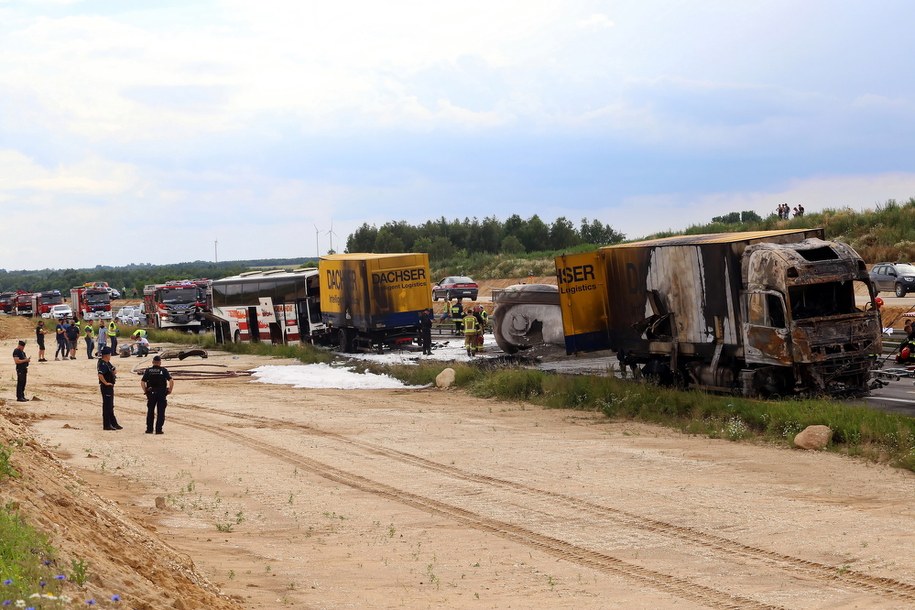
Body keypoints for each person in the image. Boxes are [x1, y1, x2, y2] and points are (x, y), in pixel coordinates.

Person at [141, 355, 173, 434]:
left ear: (153, 362)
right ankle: (158, 430)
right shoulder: (163, 370)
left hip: (151, 393)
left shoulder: (148, 370)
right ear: (160, 362)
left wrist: (145, 390)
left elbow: (142, 382)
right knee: (161, 412)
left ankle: (149, 429)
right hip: (161, 393)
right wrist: (170, 389)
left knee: (150, 411)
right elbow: (171, 380)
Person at [97, 347, 121, 430]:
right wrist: (106, 383)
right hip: (106, 387)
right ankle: (107, 425)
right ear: (107, 355)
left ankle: (113, 423)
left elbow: (114, 370)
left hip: (110, 386)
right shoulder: (103, 364)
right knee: (107, 406)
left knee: (110, 405)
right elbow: (100, 375)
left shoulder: (107, 363)